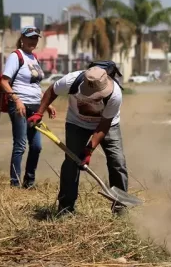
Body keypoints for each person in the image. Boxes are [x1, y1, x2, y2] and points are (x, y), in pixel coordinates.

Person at [28, 65, 128, 215]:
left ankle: (120, 208)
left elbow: (104, 125)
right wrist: (39, 113)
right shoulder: (71, 80)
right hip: (77, 123)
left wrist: (89, 149)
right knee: (71, 162)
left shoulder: (115, 94)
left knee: (117, 161)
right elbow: (51, 91)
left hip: (107, 125)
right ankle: (66, 208)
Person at [0, 26, 55, 188]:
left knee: (37, 146)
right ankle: (15, 183)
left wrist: (48, 104)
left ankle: (29, 182)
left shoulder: (34, 58)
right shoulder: (16, 56)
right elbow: (4, 82)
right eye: (30, 37)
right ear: (22, 39)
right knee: (20, 144)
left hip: (35, 107)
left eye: (36, 38)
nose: (33, 41)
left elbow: (36, 86)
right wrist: (16, 100)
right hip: (19, 105)